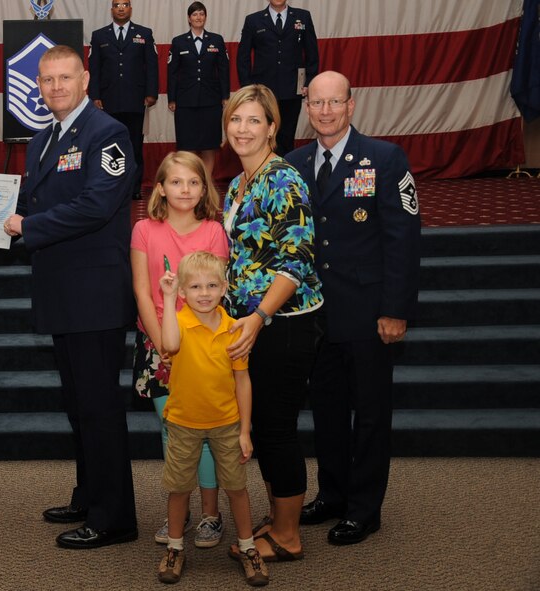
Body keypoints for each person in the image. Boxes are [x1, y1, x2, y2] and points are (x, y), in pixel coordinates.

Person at [3, 45, 138, 550]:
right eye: (46, 80)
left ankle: (114, 517)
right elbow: (29, 202)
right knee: (79, 406)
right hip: (62, 292)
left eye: (65, 77)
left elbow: (96, 205)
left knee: (100, 408)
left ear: (85, 80)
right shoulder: (41, 141)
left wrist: (28, 225)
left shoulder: (109, 134)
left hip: (95, 295)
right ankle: (89, 494)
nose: (55, 87)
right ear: (37, 87)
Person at [285, 71, 421, 545]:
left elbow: (402, 238)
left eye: (334, 102)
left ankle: (364, 508)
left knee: (368, 413)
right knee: (325, 411)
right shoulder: (294, 163)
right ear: (307, 106)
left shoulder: (384, 159)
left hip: (367, 313)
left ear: (351, 105)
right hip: (313, 316)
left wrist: (395, 309)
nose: (324, 111)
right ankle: (334, 494)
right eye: (316, 103)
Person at [223, 84, 323, 563]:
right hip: (250, 324)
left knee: (277, 428)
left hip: (283, 323)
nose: (243, 129)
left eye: (253, 121)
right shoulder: (237, 182)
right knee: (263, 427)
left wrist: (260, 316)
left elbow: (295, 259)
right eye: (235, 120)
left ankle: (288, 535)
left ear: (271, 127)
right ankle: (279, 516)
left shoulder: (283, 179)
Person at [131, 151, 228, 548]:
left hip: (202, 346)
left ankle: (211, 515)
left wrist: (185, 343)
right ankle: (179, 513)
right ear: (161, 188)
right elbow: (141, 289)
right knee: (173, 431)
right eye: (176, 182)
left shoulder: (214, 231)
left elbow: (216, 297)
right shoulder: (143, 230)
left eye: (193, 182)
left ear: (204, 188)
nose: (185, 189)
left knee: (204, 431)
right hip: (157, 345)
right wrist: (161, 342)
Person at [155, 252, 267, 587]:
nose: (204, 292)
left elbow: (242, 381)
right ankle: (175, 547)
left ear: (224, 289)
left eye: (212, 285)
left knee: (237, 488)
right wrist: (169, 296)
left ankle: (248, 547)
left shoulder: (235, 329)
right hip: (183, 423)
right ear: (185, 292)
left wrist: (245, 430)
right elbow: (169, 344)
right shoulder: (180, 322)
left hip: (227, 423)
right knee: (178, 489)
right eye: (195, 286)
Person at [88, 0, 159, 199]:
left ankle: (133, 188)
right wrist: (95, 96)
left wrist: (152, 93)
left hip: (135, 100)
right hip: (108, 101)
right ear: (112, 9)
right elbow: (94, 69)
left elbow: (151, 66)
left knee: (134, 146)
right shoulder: (99, 35)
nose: (121, 7)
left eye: (125, 4)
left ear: (130, 9)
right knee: (109, 147)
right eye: (117, 4)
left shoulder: (144, 34)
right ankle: (112, 187)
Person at [237, 1, 318, 157]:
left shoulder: (303, 17)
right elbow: (243, 57)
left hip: (292, 88)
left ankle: (285, 176)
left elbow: (312, 53)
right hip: (263, 93)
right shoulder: (253, 20)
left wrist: (309, 83)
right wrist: (248, 88)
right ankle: (263, 174)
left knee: (286, 137)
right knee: (263, 135)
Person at [167, 1, 230, 180]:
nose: (198, 17)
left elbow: (224, 70)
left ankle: (205, 184)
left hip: (211, 101)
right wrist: (172, 99)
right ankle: (191, 180)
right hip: (186, 101)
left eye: (201, 14)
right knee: (188, 146)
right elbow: (172, 73)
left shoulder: (216, 40)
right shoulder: (178, 42)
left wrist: (225, 96)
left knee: (209, 145)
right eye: (195, 14)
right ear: (189, 18)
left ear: (205, 17)